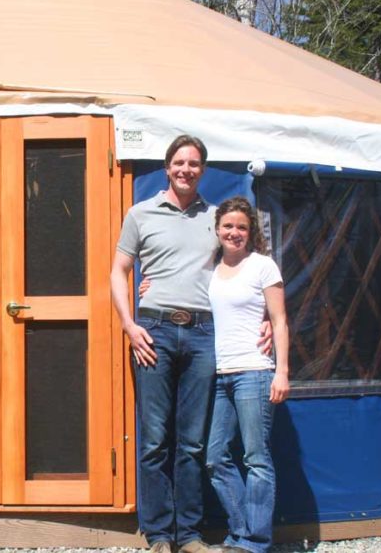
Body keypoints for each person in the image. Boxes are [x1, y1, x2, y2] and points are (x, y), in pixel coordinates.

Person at [112, 135, 270, 553]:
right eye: (179, 162)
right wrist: (129, 324)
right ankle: (159, 534)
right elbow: (118, 271)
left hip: (203, 334)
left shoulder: (218, 217)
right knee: (153, 439)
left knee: (193, 441)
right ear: (167, 167)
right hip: (155, 332)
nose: (186, 169)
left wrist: (270, 315)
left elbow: (247, 267)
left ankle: (190, 534)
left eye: (194, 163)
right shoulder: (140, 213)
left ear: (203, 169)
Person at [205, 196, 289, 553]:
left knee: (256, 458)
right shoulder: (210, 267)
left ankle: (254, 542)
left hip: (254, 371)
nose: (234, 232)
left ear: (251, 231)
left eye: (241, 226)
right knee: (215, 458)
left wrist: (282, 371)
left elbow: (280, 320)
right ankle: (241, 532)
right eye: (228, 226)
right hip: (221, 374)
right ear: (217, 229)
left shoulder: (262, 266)